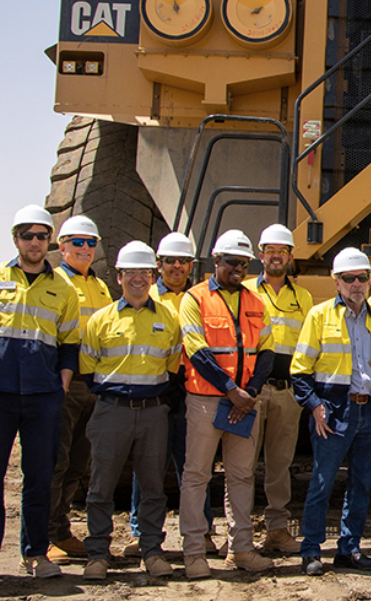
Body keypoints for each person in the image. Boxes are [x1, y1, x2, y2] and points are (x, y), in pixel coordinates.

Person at [0, 205, 80, 583]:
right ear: (15, 238)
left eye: (41, 235)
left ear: (50, 241)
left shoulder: (64, 288)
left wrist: (61, 385)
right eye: (27, 235)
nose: (34, 242)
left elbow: (69, 345)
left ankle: (35, 552)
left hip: (43, 397)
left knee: (39, 477)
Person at [78, 242, 181, 581]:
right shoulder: (100, 320)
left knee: (153, 487)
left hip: (153, 412)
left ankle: (151, 551)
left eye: (145, 273)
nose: (138, 279)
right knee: (100, 487)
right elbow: (87, 368)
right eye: (130, 272)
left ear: (154, 276)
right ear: (118, 276)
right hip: (112, 411)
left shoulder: (169, 318)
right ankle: (97, 553)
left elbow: (172, 365)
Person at [293, 247, 371, 576]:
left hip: (368, 412)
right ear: (336, 282)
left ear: (370, 281)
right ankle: (311, 550)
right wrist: (316, 407)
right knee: (322, 483)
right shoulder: (319, 316)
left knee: (360, 484)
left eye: (362, 278)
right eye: (349, 278)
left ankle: (349, 549)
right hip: (333, 411)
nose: (356, 284)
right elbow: (299, 371)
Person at [177, 230, 274, 577]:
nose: (238, 269)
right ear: (215, 261)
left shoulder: (255, 301)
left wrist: (250, 393)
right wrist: (232, 390)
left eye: (244, 264)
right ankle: (194, 554)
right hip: (207, 400)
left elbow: (266, 351)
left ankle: (242, 549)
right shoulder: (194, 298)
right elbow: (197, 350)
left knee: (241, 476)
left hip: (244, 401)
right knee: (197, 475)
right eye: (231, 262)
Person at [145, 232, 221, 565]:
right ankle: (142, 533)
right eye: (170, 261)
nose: (177, 267)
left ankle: (201, 531)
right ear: (158, 265)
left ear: (192, 265)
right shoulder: (144, 297)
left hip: (189, 386)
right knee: (149, 466)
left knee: (194, 465)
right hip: (155, 386)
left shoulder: (198, 298)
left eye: (184, 261)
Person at [245, 223, 314, 555]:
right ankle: (241, 535)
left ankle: (276, 529)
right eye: (270, 251)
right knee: (241, 465)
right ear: (260, 255)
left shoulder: (303, 297)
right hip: (250, 392)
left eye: (282, 251)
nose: (276, 257)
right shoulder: (244, 292)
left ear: (290, 256)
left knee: (279, 465)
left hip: (287, 391)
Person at [48, 215, 110, 559]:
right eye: (78, 242)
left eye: (91, 243)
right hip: (65, 383)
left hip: (93, 382)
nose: (86, 249)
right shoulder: (54, 282)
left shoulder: (99, 286)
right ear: (62, 247)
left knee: (77, 461)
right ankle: (45, 535)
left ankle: (61, 529)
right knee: (55, 459)